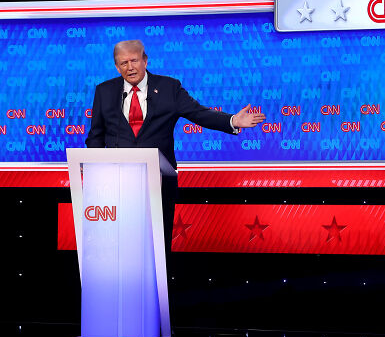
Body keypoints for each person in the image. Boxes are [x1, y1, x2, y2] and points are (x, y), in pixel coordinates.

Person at [85, 39, 266, 250]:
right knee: (118, 244)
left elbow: (199, 113)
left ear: (145, 61)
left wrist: (232, 120)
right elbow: (96, 135)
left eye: (134, 60)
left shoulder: (169, 87)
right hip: (117, 182)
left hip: (159, 181)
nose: (130, 67)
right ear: (117, 66)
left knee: (157, 244)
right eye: (123, 63)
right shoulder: (104, 91)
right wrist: (95, 173)